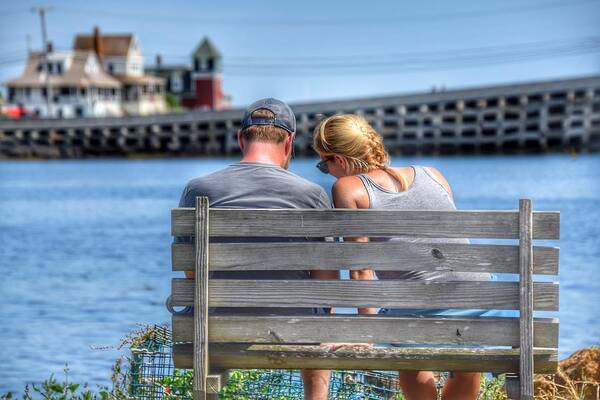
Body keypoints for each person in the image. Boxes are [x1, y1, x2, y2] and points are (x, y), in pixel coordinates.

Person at [312, 114, 492, 400]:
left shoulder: (348, 188)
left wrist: (370, 336)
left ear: (340, 159)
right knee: (460, 345)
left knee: (405, 333)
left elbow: (361, 269)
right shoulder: (434, 174)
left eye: (325, 164)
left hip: (419, 314)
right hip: (483, 306)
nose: (327, 171)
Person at [178, 98, 337, 400]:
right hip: (296, 333)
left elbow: (190, 270)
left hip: (213, 333)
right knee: (321, 318)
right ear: (289, 141)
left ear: (240, 138)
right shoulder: (312, 194)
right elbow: (327, 283)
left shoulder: (199, 190)